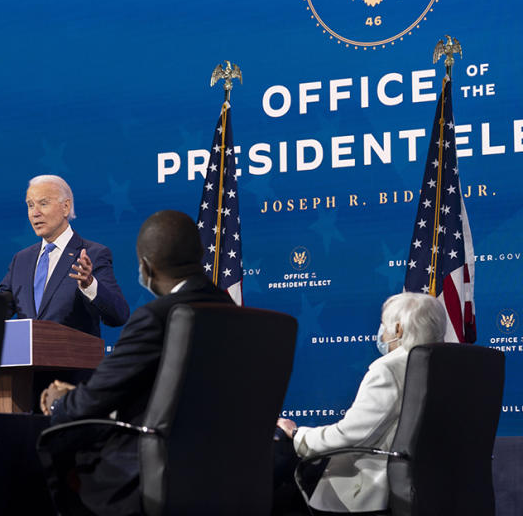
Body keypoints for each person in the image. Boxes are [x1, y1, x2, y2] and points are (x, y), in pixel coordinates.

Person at [37, 209, 235, 516]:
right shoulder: (234, 313)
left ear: (147, 267)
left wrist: (59, 403)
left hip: (145, 475)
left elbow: (94, 401)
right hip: (227, 469)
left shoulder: (156, 317)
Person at [276, 293, 448, 513]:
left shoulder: (388, 369)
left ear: (398, 330)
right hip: (435, 486)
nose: (381, 334)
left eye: (384, 326)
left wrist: (297, 434)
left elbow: (350, 435)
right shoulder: (448, 367)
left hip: (376, 488)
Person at [0, 174, 129, 337]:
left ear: (66, 207)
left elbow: (118, 314)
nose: (34, 212)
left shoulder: (93, 254)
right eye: (30, 205)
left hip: (72, 382)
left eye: (43, 203)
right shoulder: (22, 260)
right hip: (26, 382)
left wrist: (89, 284)